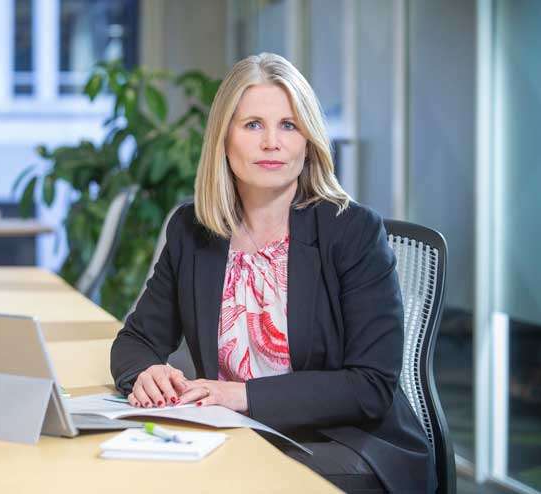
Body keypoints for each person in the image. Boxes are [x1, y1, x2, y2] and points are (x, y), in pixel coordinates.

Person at [110, 52, 436, 493]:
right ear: (224, 140)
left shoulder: (352, 231)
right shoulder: (192, 231)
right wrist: (147, 372)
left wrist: (241, 396)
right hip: (239, 437)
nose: (272, 142)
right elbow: (136, 341)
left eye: (289, 125)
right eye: (252, 125)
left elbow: (370, 386)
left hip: (349, 443)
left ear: (308, 141)